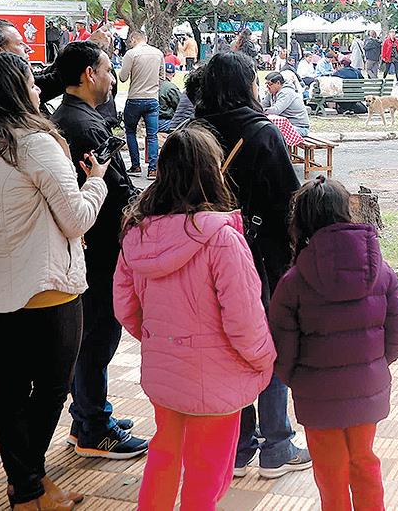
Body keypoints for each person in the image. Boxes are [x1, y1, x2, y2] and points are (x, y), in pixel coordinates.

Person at [0, 52, 109, 510]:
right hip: (43, 288)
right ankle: (28, 489)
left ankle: (31, 484)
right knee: (51, 389)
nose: (37, 89)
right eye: (31, 82)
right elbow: (76, 220)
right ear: (14, 91)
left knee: (10, 389)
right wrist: (97, 181)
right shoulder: (33, 145)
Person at [116, 125, 277, 510]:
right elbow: (244, 318)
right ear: (211, 171)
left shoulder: (137, 233)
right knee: (207, 473)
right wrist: (263, 359)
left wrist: (162, 340)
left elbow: (125, 307)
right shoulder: (222, 238)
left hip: (164, 372)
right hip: (216, 377)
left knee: (163, 457)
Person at [190, 52, 313, 479]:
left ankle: (239, 445)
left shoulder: (193, 132)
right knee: (266, 343)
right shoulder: (262, 132)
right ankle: (276, 444)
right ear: (245, 85)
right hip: (259, 256)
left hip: (204, 254)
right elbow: (288, 201)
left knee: (228, 344)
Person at [268, 177, 398, 511]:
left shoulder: (293, 282)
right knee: (364, 462)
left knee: (330, 472)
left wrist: (297, 379)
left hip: (317, 396)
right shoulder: (380, 270)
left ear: (301, 220)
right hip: (367, 388)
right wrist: (375, 363)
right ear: (345, 211)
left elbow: (281, 346)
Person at [48, 42, 149, 459]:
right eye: (108, 70)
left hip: (88, 244)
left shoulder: (71, 117)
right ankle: (93, 427)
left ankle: (87, 417)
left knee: (92, 334)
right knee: (97, 337)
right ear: (89, 74)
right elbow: (113, 190)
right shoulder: (84, 126)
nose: (112, 78)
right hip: (99, 247)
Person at [120, 31, 166, 178]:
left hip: (135, 98)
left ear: (134, 39)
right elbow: (162, 77)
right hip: (152, 99)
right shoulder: (158, 53)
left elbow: (122, 77)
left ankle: (136, 166)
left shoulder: (131, 54)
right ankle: (153, 169)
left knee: (130, 132)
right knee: (152, 135)